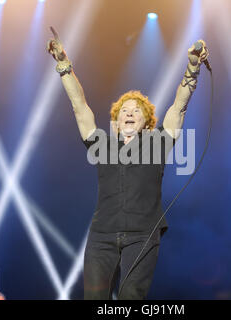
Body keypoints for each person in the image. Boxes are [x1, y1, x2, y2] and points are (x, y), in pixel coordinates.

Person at [47, 28, 208, 299]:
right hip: (102, 235)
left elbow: (179, 107)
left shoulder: (158, 142)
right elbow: (79, 105)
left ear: (146, 122)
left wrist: (192, 68)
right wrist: (64, 64)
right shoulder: (102, 144)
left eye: (136, 111)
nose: (129, 113)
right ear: (117, 120)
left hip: (143, 234)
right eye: (124, 110)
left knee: (131, 296)